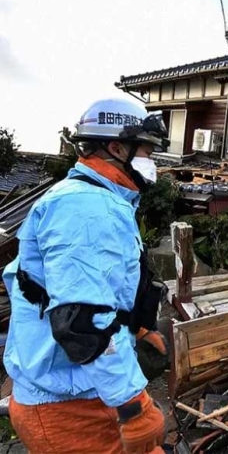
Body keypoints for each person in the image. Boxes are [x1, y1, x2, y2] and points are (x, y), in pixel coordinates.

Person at [3, 98, 170, 454]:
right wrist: (133, 405)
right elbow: (83, 324)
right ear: (116, 147)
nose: (152, 162)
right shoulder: (88, 209)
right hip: (66, 408)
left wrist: (135, 328)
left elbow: (87, 291)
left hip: (80, 392)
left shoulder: (93, 199)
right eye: (147, 151)